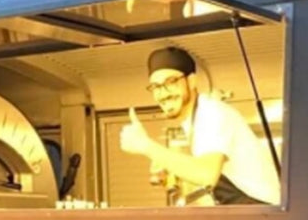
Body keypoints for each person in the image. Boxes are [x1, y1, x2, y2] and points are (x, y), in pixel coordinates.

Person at [120, 46, 280, 206]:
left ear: (191, 81)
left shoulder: (211, 112)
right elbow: (208, 178)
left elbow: (206, 174)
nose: (163, 93)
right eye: (156, 87)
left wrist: (146, 146)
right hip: (248, 213)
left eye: (171, 82)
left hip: (261, 215)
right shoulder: (196, 121)